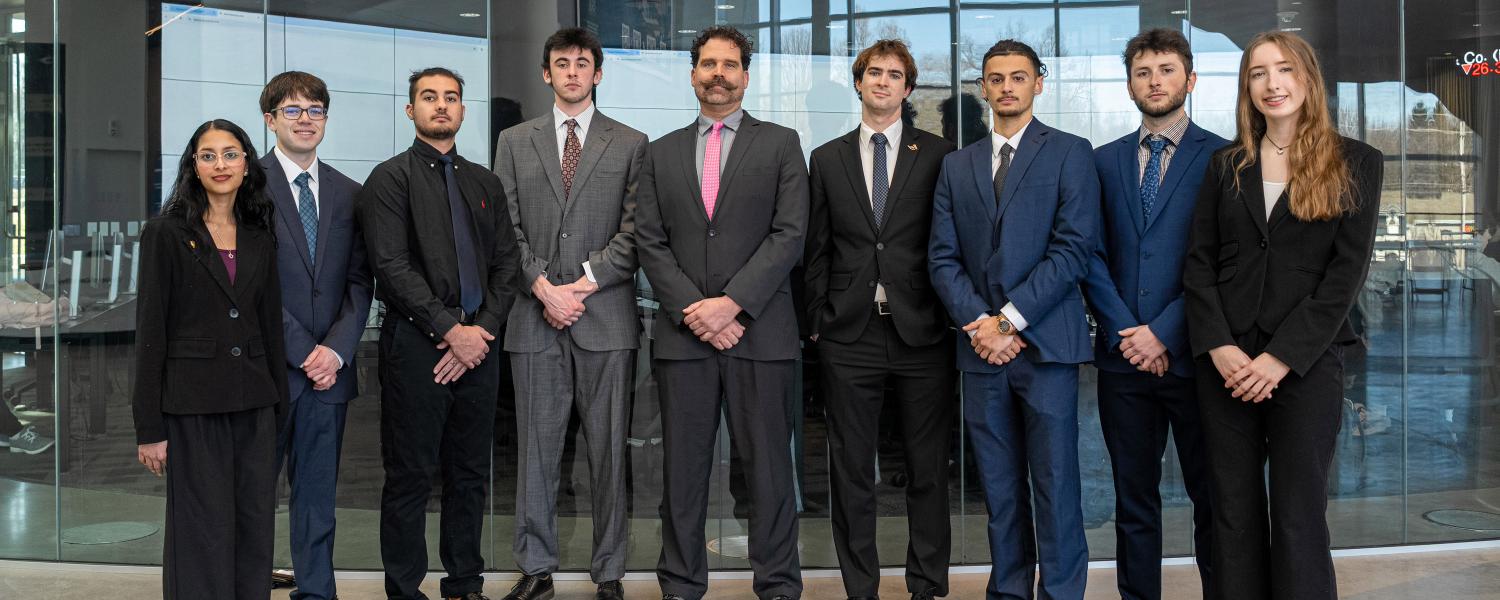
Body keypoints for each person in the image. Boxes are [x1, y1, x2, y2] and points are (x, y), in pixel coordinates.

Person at [1182, 31, 1382, 600]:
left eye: (1285, 69)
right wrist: (1219, 346)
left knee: (1298, 515)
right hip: (1226, 366)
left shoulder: (1357, 162)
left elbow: (1344, 279)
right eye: (1258, 73)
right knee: (1233, 515)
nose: (1272, 83)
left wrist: (1279, 359)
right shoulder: (1226, 165)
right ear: (1246, 87)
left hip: (1306, 365)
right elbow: (1198, 263)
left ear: (1308, 78)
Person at [635, 25, 807, 600]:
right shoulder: (659, 152)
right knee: (682, 476)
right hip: (684, 340)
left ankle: (777, 585)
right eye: (708, 64)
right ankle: (681, 585)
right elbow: (650, 240)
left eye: (729, 65)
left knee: (769, 474)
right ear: (693, 75)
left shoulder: (781, 144)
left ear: (745, 77)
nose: (718, 74)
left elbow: (790, 234)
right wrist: (695, 310)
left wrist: (731, 306)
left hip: (760, 334)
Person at [927, 39, 1098, 600]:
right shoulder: (956, 165)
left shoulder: (1070, 152)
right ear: (983, 88)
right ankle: (1008, 592)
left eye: (1018, 77)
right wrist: (981, 324)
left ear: (1038, 83)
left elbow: (1073, 250)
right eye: (996, 78)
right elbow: (942, 258)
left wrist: (1008, 322)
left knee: (1056, 486)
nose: (1006, 87)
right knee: (999, 492)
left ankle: (1062, 593)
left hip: (1046, 347)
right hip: (981, 352)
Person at [493, 27, 646, 600]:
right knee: (536, 452)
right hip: (534, 319)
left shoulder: (631, 142)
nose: (573, 72)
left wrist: (578, 287)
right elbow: (503, 229)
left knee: (608, 453)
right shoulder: (514, 141)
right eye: (563, 63)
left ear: (598, 74)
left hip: (604, 319)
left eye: (583, 63)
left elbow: (636, 232)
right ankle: (536, 569)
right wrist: (542, 287)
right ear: (546, 73)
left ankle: (610, 573)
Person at [358, 67, 519, 600]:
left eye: (451, 97)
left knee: (469, 474)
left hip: (479, 348)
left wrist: (479, 332)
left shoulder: (485, 183)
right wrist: (451, 330)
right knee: (410, 474)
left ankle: (465, 584)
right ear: (411, 110)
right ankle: (405, 590)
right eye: (429, 97)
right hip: (415, 345)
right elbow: (390, 266)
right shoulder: (389, 179)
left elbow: (507, 265)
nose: (442, 105)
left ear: (463, 110)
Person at [803, 39, 956, 600]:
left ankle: (926, 585)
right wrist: (817, 319)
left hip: (922, 331)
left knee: (926, 467)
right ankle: (860, 587)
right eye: (874, 72)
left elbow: (948, 240)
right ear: (859, 82)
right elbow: (816, 250)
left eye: (894, 74)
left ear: (908, 88)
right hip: (850, 332)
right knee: (850, 469)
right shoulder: (827, 158)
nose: (883, 82)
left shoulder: (938, 155)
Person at [1079, 28, 1226, 600]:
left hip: (1196, 358)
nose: (1154, 81)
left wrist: (1163, 332)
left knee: (1213, 498)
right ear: (1129, 86)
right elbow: (1090, 255)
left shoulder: (1224, 157)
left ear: (1190, 80)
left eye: (1166, 70)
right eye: (1143, 72)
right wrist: (1129, 335)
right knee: (1133, 499)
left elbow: (1226, 263)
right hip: (1123, 364)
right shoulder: (1102, 161)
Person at [133, 119, 289, 599]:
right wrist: (149, 428)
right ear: (194, 167)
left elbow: (271, 327)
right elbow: (151, 333)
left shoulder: (260, 235)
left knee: (253, 524)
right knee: (201, 530)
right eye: (208, 155)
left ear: (247, 165)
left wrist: (279, 410)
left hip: (254, 403)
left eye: (230, 154)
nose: (220, 164)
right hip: (192, 406)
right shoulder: (165, 233)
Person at [258, 70, 373, 600]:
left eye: (315, 110)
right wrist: (306, 351)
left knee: (317, 499)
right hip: (265, 371)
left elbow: (360, 282)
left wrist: (336, 351)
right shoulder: (246, 186)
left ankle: (316, 591)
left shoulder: (350, 193)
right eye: (292, 110)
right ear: (270, 120)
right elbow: (250, 286)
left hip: (330, 376)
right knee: (252, 493)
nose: (305, 120)